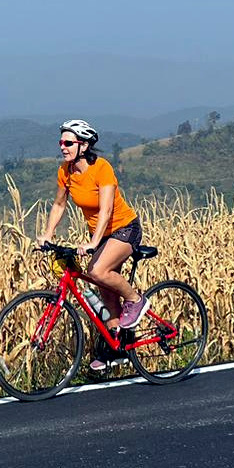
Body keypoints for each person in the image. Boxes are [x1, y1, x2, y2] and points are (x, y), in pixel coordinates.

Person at [37, 119, 147, 371]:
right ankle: (117, 348)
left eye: (68, 143)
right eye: (61, 142)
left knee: (97, 271)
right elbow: (59, 204)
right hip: (101, 235)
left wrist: (94, 242)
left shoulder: (102, 168)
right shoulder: (65, 171)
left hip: (124, 229)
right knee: (105, 289)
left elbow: (106, 210)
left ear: (84, 146)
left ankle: (136, 300)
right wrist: (47, 234)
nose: (63, 147)